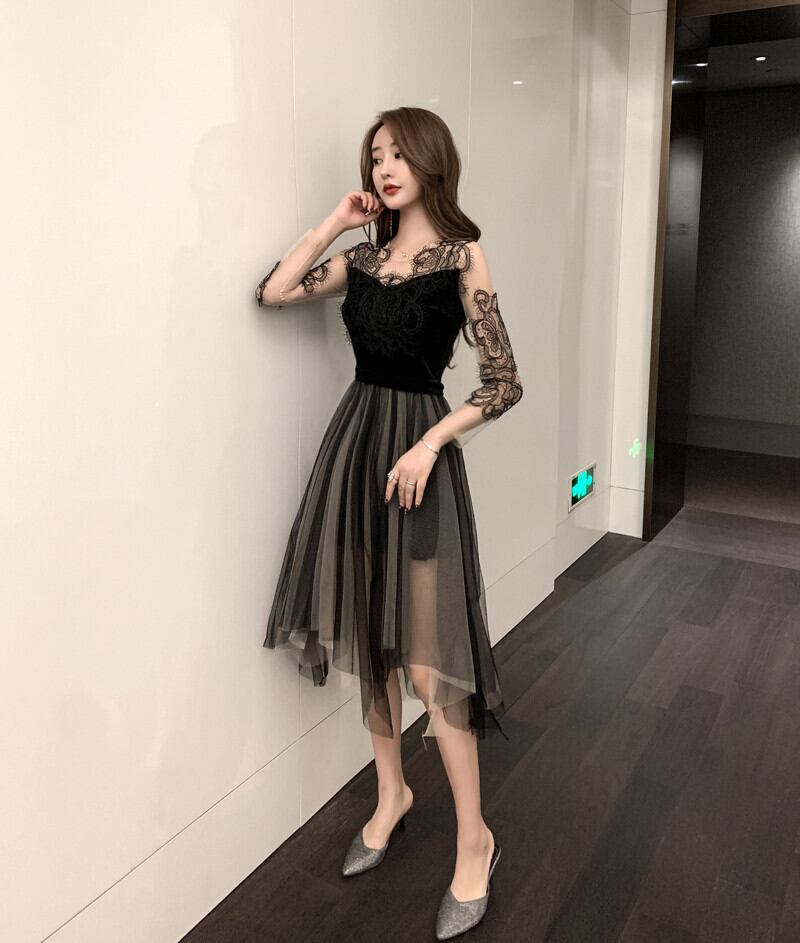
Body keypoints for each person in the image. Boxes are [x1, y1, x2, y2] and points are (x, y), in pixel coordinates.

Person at [255, 106, 522, 939]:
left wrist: (433, 443)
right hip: (354, 453)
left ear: (433, 161)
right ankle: (391, 792)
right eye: (376, 156)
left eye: (401, 153)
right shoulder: (362, 259)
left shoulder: (462, 256)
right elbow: (273, 291)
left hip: (417, 462)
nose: (386, 167)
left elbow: (504, 381)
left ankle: (475, 839)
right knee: (371, 632)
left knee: (430, 663)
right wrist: (335, 221)